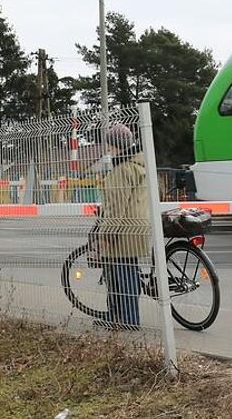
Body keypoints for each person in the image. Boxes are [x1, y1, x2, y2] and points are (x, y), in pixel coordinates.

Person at [92, 122, 150, 330]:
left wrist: (106, 234)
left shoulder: (121, 170)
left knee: (119, 275)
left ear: (116, 145)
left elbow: (116, 208)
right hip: (138, 226)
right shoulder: (140, 165)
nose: (107, 149)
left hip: (123, 230)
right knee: (129, 272)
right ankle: (127, 316)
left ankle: (125, 319)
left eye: (109, 145)